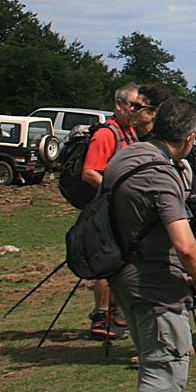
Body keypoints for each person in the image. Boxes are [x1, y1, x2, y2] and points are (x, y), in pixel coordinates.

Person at [106, 97, 196, 392]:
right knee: (161, 369)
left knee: (173, 360)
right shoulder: (160, 174)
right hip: (153, 282)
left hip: (124, 274)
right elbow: (184, 245)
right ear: (189, 136)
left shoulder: (127, 155)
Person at [81, 82, 146, 341]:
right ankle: (101, 317)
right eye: (134, 105)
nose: (137, 111)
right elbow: (89, 172)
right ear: (118, 105)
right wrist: (117, 192)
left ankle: (114, 312)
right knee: (108, 262)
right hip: (108, 211)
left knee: (123, 262)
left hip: (123, 211)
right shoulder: (107, 134)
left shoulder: (129, 132)